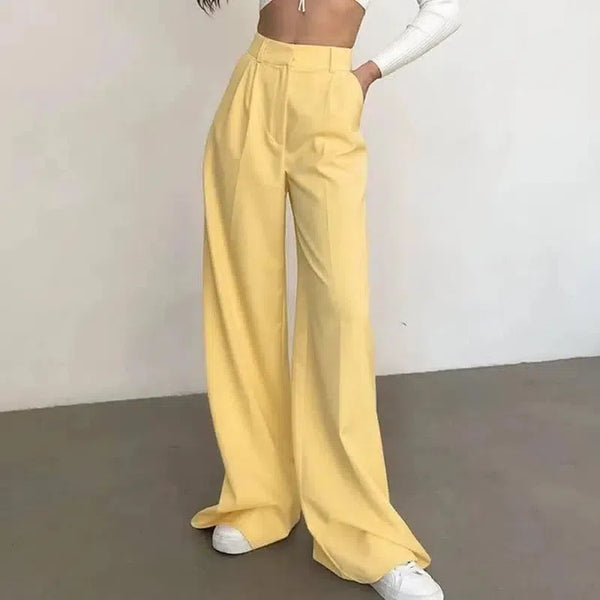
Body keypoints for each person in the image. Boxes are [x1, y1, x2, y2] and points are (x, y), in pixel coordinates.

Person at [191, 0, 461, 598]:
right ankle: (258, 495)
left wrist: (367, 73)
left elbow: (446, 9)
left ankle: (365, 534)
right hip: (253, 86)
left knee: (340, 310)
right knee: (242, 295)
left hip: (330, 93)